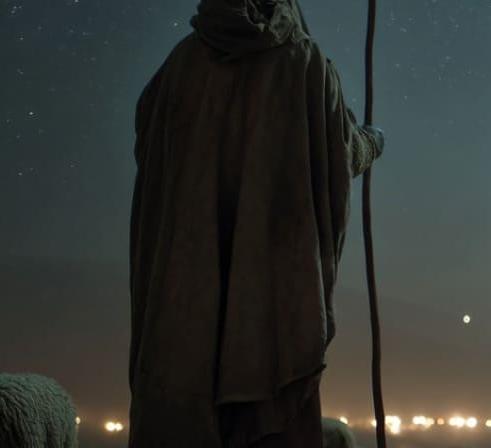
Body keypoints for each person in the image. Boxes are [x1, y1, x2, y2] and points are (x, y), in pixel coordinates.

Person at [127, 0, 384, 445]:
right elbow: (335, 157)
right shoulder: (303, 63)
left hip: (184, 290)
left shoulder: (180, 65)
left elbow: (151, 147)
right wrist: (371, 142)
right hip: (270, 293)